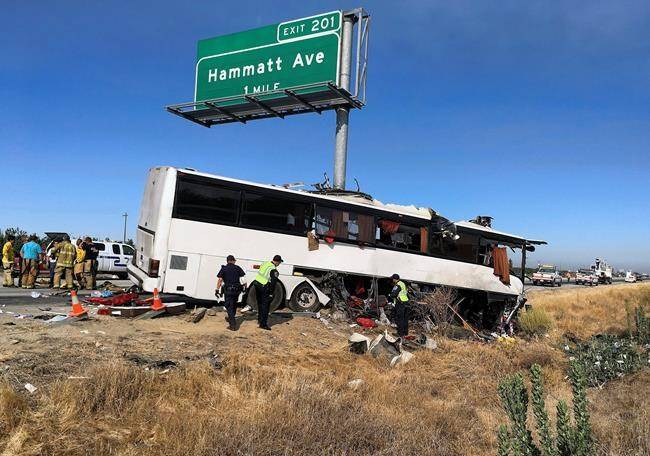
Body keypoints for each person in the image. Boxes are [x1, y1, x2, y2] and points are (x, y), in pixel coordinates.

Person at [251, 254, 283, 331]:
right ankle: (263, 324)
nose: (279, 264)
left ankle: (259, 320)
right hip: (263, 286)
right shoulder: (273, 270)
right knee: (265, 306)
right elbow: (273, 283)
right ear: (277, 262)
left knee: (260, 304)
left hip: (256, 284)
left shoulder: (265, 263)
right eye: (279, 263)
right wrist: (271, 293)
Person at [215, 255, 246, 331]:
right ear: (232, 260)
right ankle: (230, 318)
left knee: (228, 306)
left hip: (228, 290)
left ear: (227, 261)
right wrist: (245, 289)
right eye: (234, 260)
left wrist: (217, 289)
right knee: (234, 304)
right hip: (237, 290)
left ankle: (233, 325)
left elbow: (220, 280)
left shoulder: (224, 269)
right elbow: (243, 279)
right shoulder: (238, 268)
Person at [389, 273, 410, 338]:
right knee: (405, 318)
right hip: (406, 302)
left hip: (400, 303)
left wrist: (390, 295)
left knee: (400, 318)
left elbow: (394, 294)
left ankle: (400, 333)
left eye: (392, 279)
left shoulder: (397, 285)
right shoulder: (403, 284)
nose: (392, 280)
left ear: (395, 279)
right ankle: (405, 332)